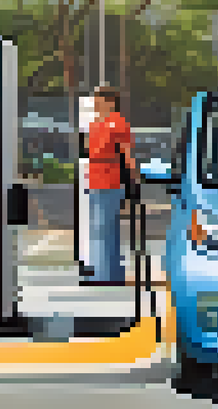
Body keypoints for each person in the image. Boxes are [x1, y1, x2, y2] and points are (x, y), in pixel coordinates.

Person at [83, 86, 137, 286]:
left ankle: (105, 275)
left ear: (110, 102)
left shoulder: (118, 124)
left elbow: (127, 154)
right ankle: (108, 273)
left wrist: (133, 180)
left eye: (99, 100)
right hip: (96, 180)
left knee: (105, 229)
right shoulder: (96, 124)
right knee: (102, 230)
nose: (96, 104)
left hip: (111, 181)